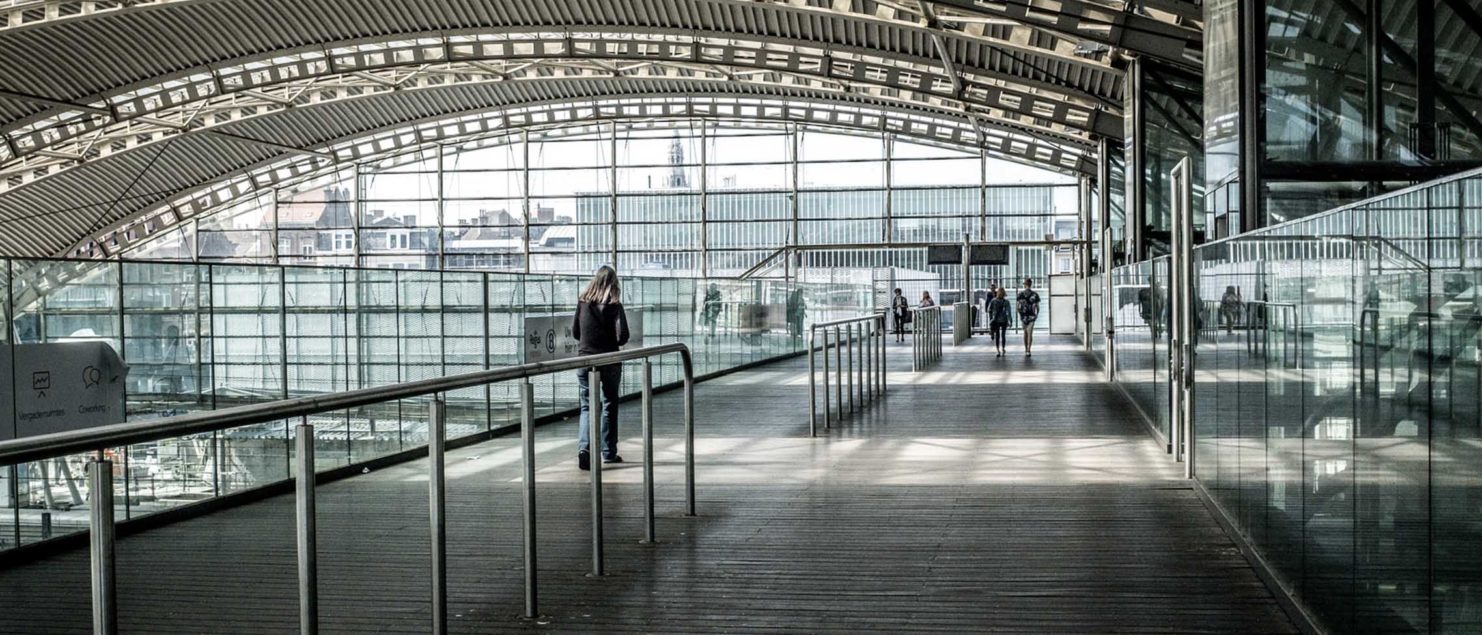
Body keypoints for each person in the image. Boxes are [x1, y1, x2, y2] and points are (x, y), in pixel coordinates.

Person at [572, 265, 630, 471]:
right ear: (614, 284)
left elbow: (576, 332)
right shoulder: (615, 305)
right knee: (609, 404)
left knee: (587, 405)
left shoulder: (582, 303)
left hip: (584, 361)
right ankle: (608, 452)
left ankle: (584, 450)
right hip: (610, 360)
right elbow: (623, 336)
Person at [1016, 278, 1040, 357]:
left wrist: (1020, 314)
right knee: (1030, 333)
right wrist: (1036, 315)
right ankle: (1029, 350)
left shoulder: (1020, 294)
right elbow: (1037, 307)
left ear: (1025, 284)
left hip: (1023, 316)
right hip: (1031, 316)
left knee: (1025, 333)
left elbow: (1017, 307)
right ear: (1031, 284)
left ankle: (1026, 348)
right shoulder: (1035, 294)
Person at [988, 287, 1011, 357]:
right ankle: (1003, 348)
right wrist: (1010, 321)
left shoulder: (993, 301)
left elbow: (989, 309)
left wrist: (991, 318)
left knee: (997, 336)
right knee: (1003, 335)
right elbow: (1008, 312)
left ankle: (998, 350)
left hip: (996, 320)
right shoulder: (1006, 302)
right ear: (1004, 294)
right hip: (1004, 320)